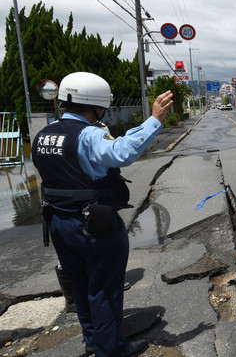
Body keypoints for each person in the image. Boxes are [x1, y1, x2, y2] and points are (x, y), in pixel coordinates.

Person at [32, 72, 174, 357]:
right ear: (97, 105)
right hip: (94, 224)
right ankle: (111, 349)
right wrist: (154, 119)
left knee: (81, 286)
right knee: (104, 288)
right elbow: (121, 152)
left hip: (58, 222)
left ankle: (94, 340)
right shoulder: (89, 135)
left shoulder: (43, 135)